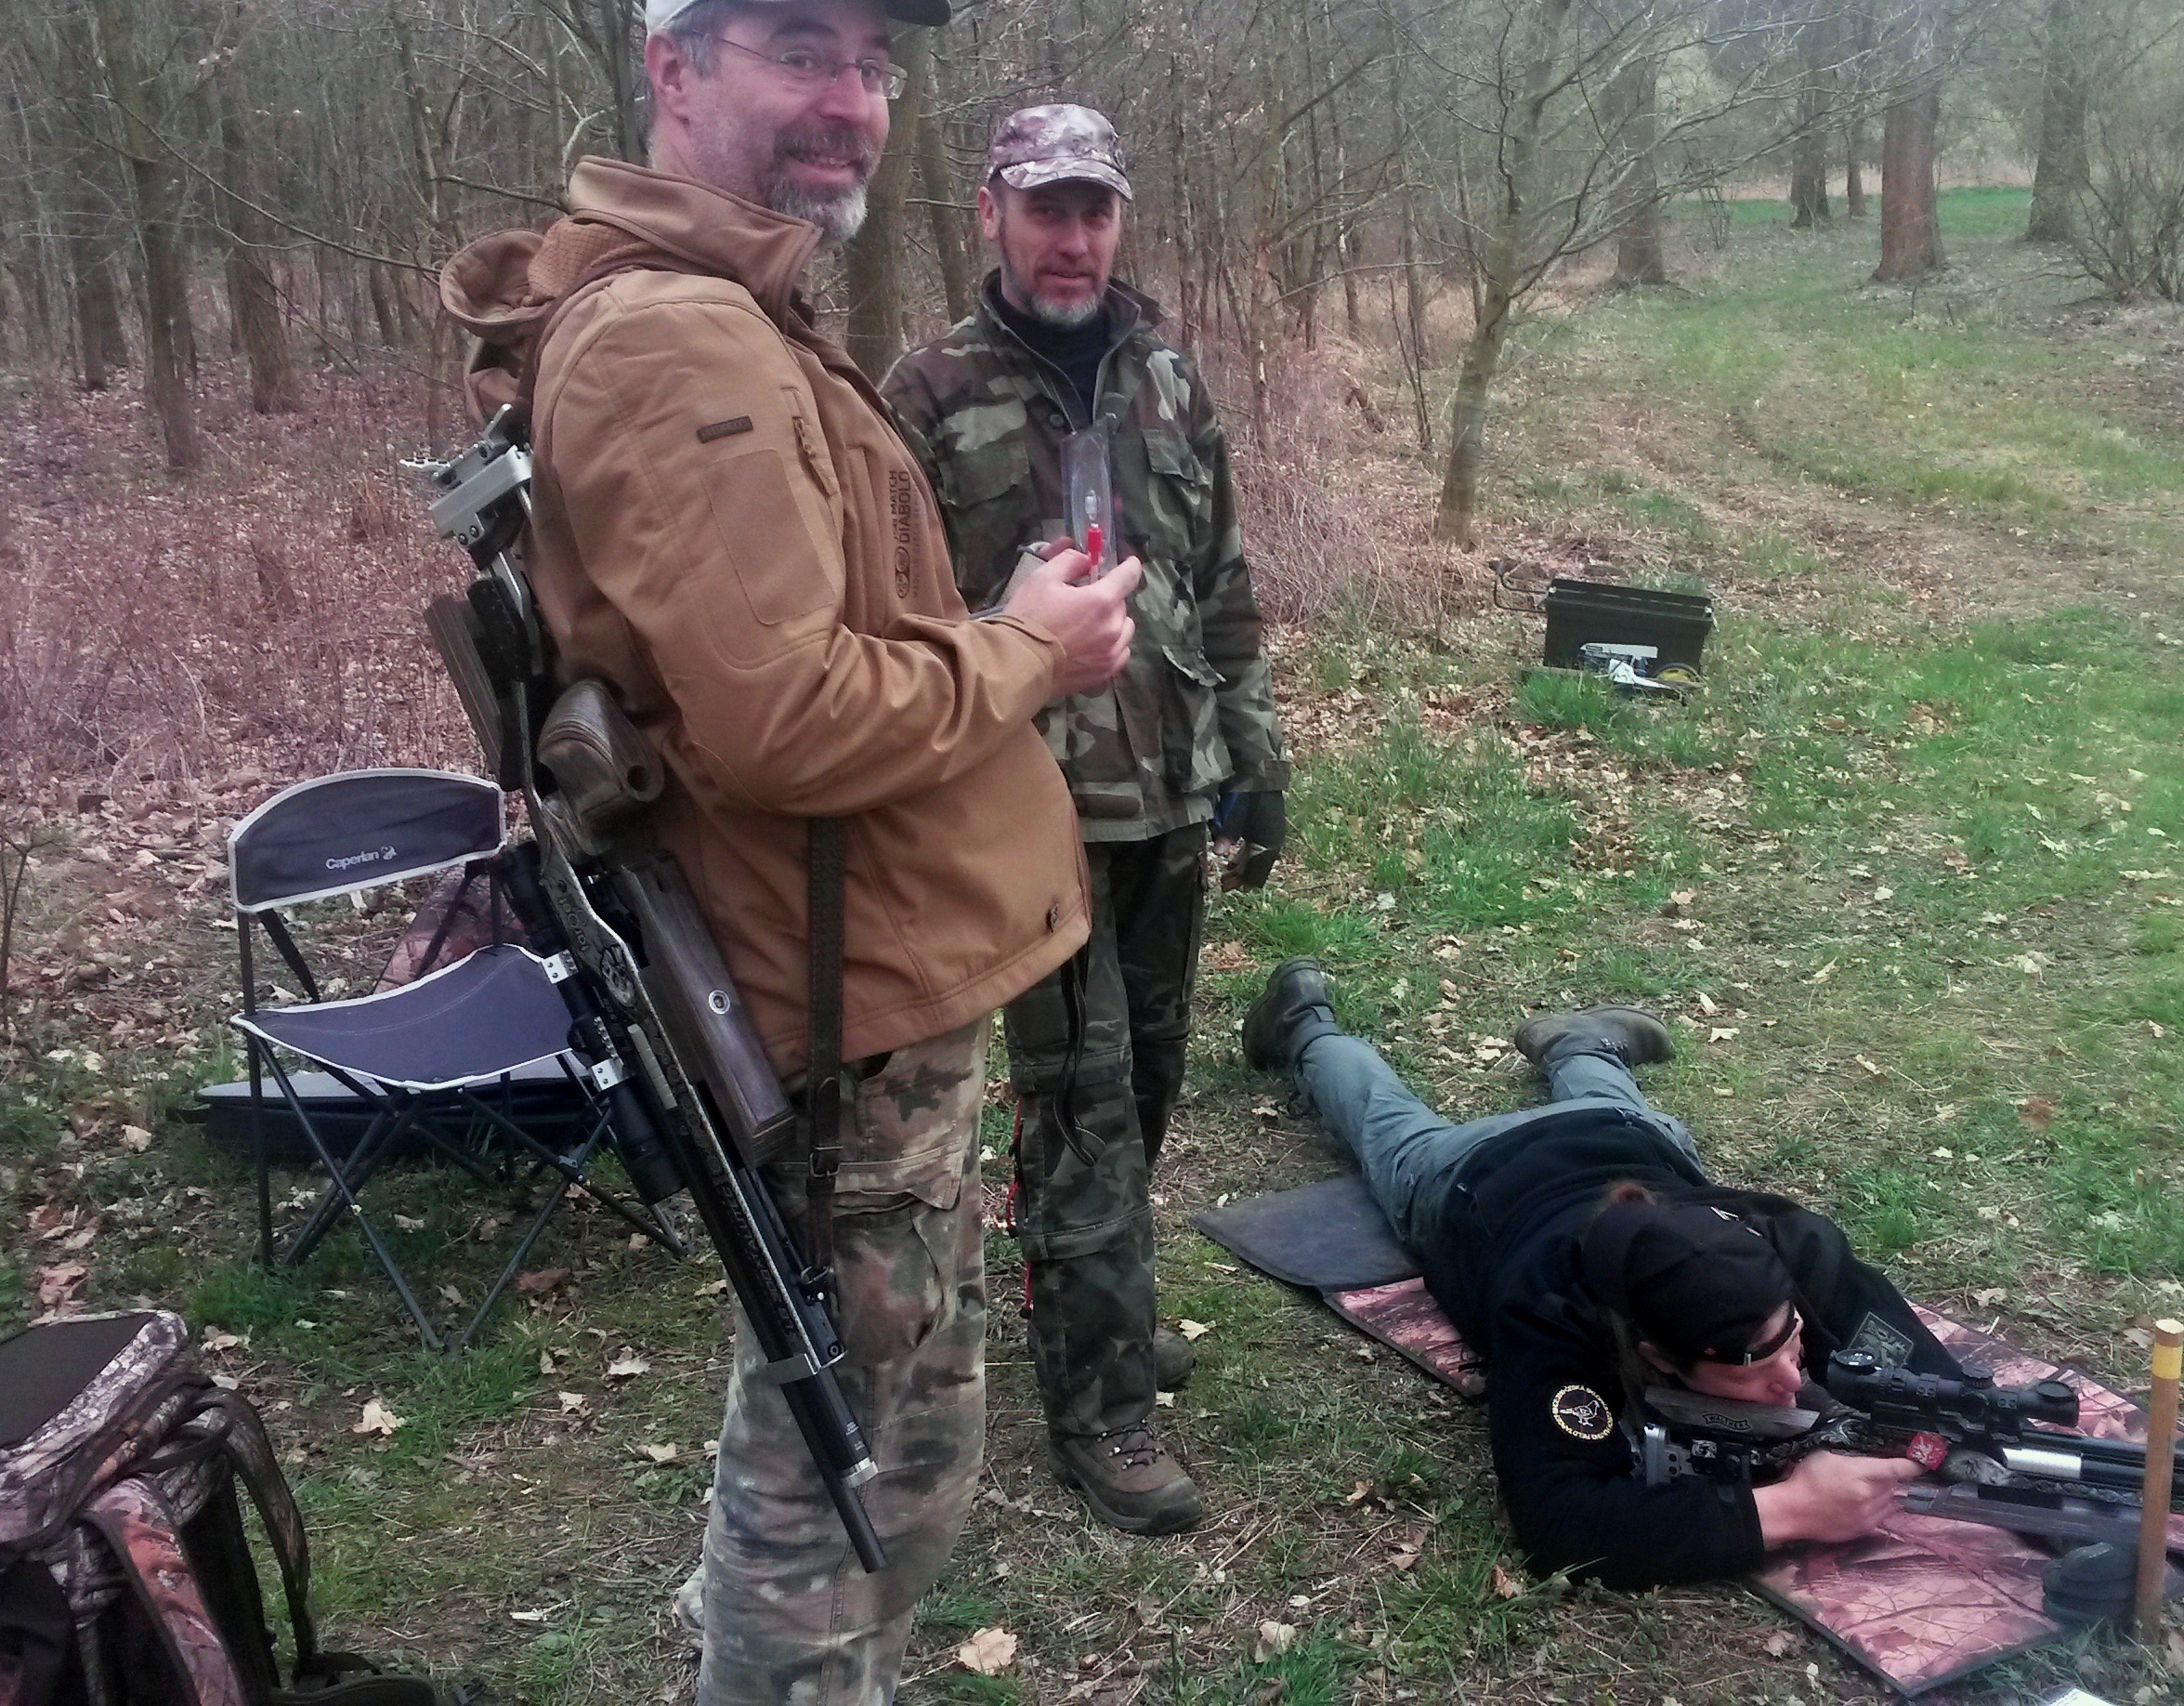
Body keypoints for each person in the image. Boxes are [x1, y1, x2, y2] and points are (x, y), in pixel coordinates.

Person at [438, 3, 1142, 1696]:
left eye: (873, 64)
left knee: (893, 1444)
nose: (850, 99)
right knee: (833, 1483)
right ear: (673, 67)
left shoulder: (731, 306)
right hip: (831, 1002)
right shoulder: (677, 343)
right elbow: (789, 719)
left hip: (871, 965)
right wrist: (1026, 652)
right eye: (800, 46)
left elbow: (791, 664)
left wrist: (987, 637)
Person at [880, 104, 1289, 1535]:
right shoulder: (926, 395)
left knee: (1150, 1081)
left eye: (1094, 210)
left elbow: (1220, 573)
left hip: (1166, 798)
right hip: (1021, 816)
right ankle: (1102, 1405)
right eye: (1046, 208)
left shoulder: (1166, 375)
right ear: (991, 212)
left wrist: (1256, 748)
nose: (1073, 239)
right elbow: (893, 625)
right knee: (1084, 1108)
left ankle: (1097, 1305)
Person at [1239, 959, 1968, 1590]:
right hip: (1470, 1172)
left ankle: (1580, 1043)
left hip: (1622, 1137)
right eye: (1752, 1363)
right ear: (1657, 1356)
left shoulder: (1790, 1244)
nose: (1792, 1376)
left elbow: (1938, 1381)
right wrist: (1789, 1509)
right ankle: (1303, 1024)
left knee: (1620, 1110)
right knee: (1386, 1124)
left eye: (1793, 1337)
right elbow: (1558, 1519)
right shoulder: (1552, 1310)